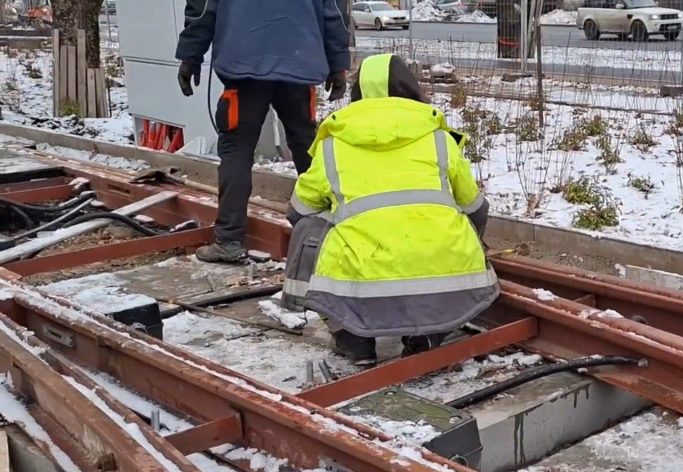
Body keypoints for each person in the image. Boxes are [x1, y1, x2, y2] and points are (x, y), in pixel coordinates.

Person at [285, 53, 497, 366]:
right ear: (410, 88)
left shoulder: (333, 144)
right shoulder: (439, 138)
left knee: (310, 228)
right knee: (456, 223)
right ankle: (428, 334)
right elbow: (476, 207)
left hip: (364, 275)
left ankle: (353, 338)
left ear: (358, 94)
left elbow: (298, 209)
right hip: (445, 279)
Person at [174, 0, 352, 264]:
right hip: (298, 64)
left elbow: (202, 9)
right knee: (308, 148)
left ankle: (229, 240)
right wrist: (338, 66)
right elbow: (333, 14)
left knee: (236, 151)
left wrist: (190, 56)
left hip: (243, 66)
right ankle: (327, 230)